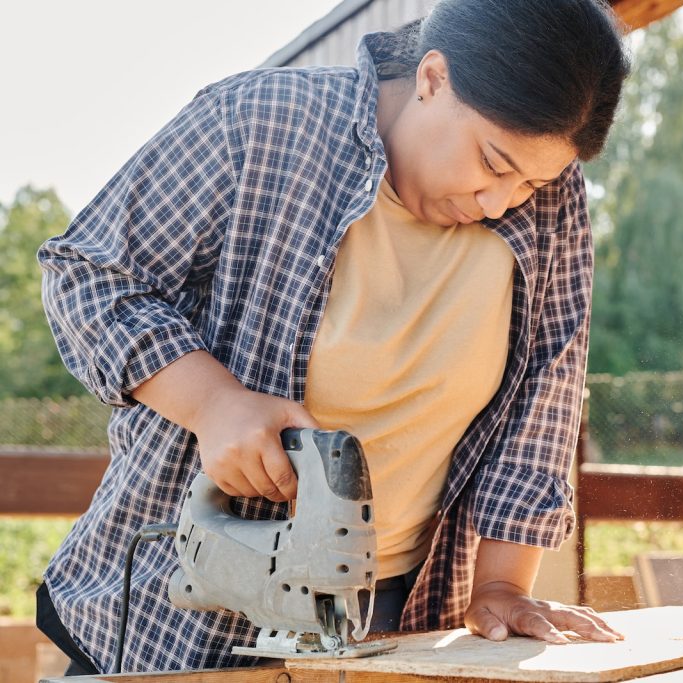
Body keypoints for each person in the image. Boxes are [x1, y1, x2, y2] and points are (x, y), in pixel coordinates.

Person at [36, 0, 630, 674]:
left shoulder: (552, 203)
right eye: (492, 164)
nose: (502, 201)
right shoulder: (258, 122)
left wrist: (501, 586)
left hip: (393, 614)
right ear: (433, 78)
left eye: (533, 180)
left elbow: (544, 394)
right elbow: (90, 272)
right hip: (165, 621)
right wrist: (213, 404)